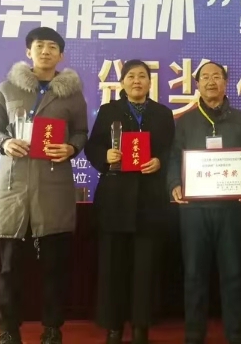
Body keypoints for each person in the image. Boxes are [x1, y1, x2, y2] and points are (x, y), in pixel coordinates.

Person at [0, 27, 89, 344]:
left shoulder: (71, 95)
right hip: (14, 187)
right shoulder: (6, 89)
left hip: (53, 187)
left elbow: (81, 132)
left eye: (52, 47)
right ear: (28, 51)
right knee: (10, 269)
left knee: (55, 269)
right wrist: (4, 143)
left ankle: (52, 329)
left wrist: (71, 147)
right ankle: (8, 330)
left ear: (61, 55)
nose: (45, 51)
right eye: (39, 46)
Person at [84, 60, 175, 344]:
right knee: (113, 267)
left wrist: (160, 161)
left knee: (146, 268)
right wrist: (104, 156)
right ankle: (113, 327)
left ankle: (140, 327)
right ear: (122, 82)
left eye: (142, 76)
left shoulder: (162, 113)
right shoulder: (109, 111)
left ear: (150, 82)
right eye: (131, 76)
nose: (137, 80)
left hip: (150, 201)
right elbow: (92, 145)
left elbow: (173, 150)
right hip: (115, 201)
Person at [167, 61, 241, 344]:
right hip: (194, 210)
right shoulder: (186, 121)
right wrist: (174, 184)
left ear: (226, 82)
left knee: (234, 274)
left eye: (216, 76)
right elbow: (174, 157)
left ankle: (236, 335)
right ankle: (194, 336)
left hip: (232, 209)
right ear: (197, 85)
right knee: (194, 275)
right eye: (204, 77)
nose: (210, 81)